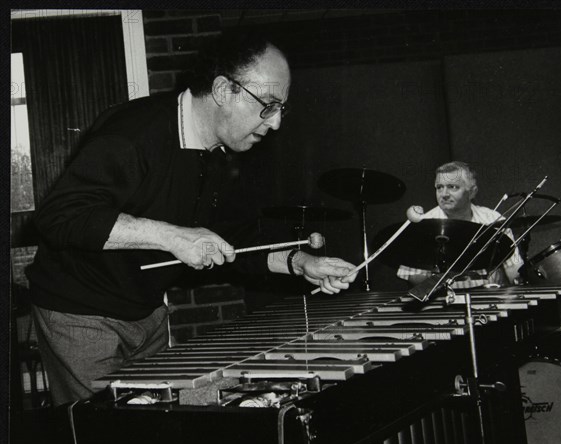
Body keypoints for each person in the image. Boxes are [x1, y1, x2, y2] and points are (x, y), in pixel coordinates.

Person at [26, 33, 358, 406]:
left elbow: (227, 238)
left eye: (282, 107)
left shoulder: (217, 153)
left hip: (146, 311)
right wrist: (171, 236)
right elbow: (59, 215)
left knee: (156, 433)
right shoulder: (134, 133)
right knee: (104, 441)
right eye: (268, 104)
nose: (276, 122)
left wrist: (298, 263)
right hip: (80, 313)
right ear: (222, 90)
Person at [397, 161, 523, 288]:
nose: (444, 194)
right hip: (442, 302)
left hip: (489, 300)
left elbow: (514, 268)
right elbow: (413, 276)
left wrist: (522, 279)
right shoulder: (422, 224)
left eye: (453, 187)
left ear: (472, 192)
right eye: (439, 187)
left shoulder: (494, 219)